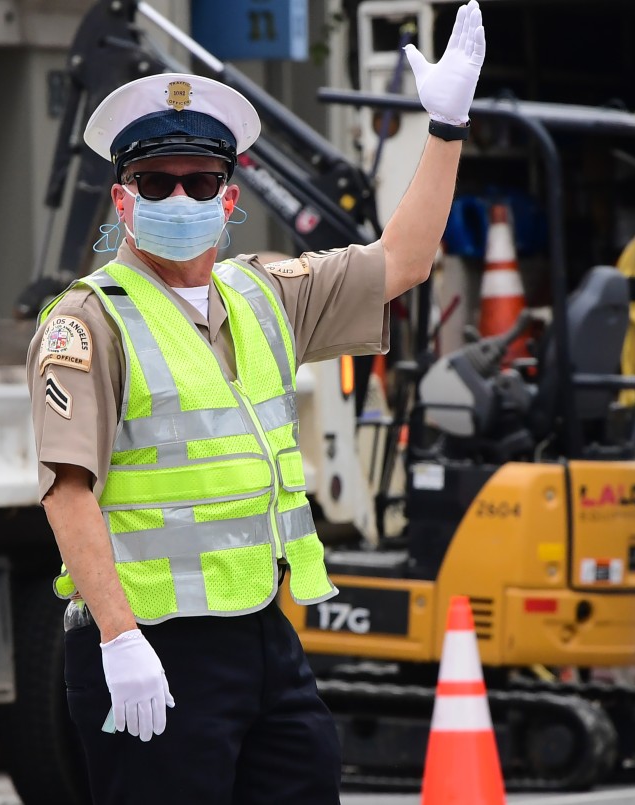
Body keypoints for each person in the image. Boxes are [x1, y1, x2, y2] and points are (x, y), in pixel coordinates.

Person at [25, 4, 485, 803]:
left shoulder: (266, 295)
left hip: (263, 635)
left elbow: (404, 259)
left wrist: (444, 128)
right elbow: (68, 491)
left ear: (228, 199)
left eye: (199, 181)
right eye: (155, 181)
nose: (179, 196)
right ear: (122, 200)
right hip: (152, 646)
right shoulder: (86, 320)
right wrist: (120, 635)